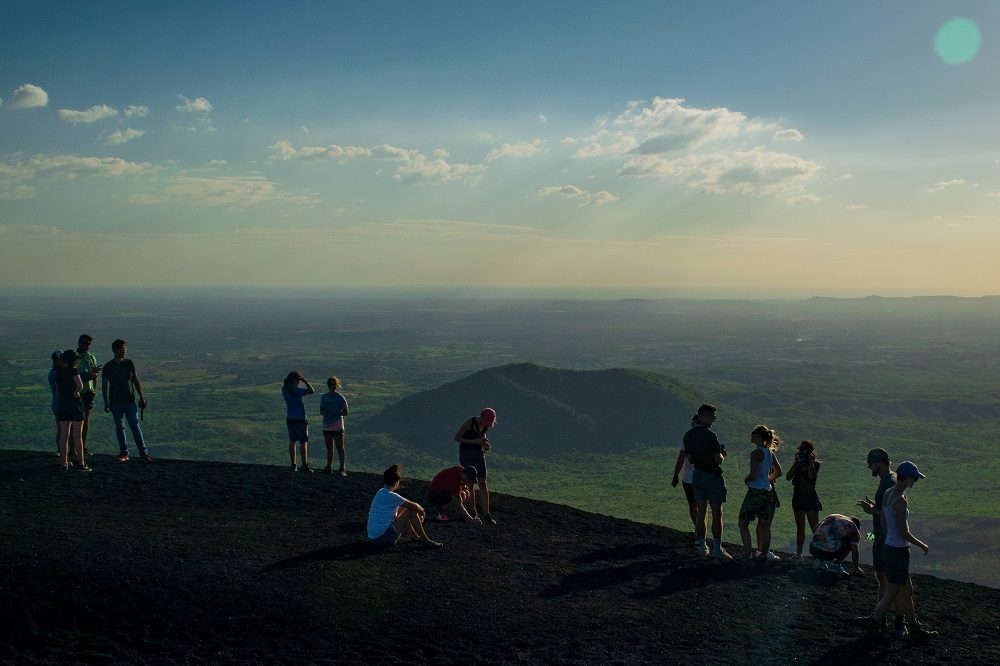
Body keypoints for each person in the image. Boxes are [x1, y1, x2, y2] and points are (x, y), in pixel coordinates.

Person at [864, 461, 937, 644]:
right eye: (914, 478)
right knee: (894, 590)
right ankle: (874, 624)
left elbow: (883, 522)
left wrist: (889, 539)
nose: (915, 482)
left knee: (906, 589)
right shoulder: (900, 500)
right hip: (898, 550)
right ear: (907, 477)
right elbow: (904, 533)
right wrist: (921, 544)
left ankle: (913, 627)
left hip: (890, 547)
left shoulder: (889, 493)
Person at [857, 448, 904, 635]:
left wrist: (872, 511)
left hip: (886, 540)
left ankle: (895, 621)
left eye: (871, 464)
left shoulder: (889, 483)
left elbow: (891, 513)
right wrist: (875, 508)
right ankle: (881, 616)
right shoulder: (889, 481)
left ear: (878, 463)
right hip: (881, 538)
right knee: (882, 578)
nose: (870, 467)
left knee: (891, 582)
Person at [683, 403, 733, 561]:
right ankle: (717, 548)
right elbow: (718, 459)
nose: (713, 420)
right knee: (717, 512)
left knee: (701, 513)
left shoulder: (688, 435)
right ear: (704, 416)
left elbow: (690, 459)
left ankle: (702, 546)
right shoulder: (711, 435)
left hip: (697, 475)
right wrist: (722, 453)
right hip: (712, 475)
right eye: (712, 417)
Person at [366, 464, 442, 548]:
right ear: (396, 482)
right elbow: (415, 506)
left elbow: (403, 508)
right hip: (384, 539)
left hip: (373, 538)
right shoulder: (392, 496)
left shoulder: (380, 492)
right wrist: (423, 513)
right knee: (410, 511)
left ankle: (415, 536)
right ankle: (426, 540)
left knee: (405, 510)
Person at [101, 339, 151, 463]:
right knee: (121, 427)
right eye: (122, 348)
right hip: (115, 402)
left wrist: (141, 396)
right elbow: (104, 386)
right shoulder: (108, 367)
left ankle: (143, 453)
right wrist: (106, 403)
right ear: (115, 350)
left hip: (129, 401)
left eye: (125, 348)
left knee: (135, 426)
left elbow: (135, 380)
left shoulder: (129, 363)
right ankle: (125, 453)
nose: (124, 350)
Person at [737, 425, 783, 560]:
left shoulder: (756, 453)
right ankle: (764, 554)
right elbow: (778, 472)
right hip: (767, 492)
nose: (751, 435)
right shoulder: (770, 453)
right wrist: (767, 479)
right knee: (765, 525)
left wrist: (747, 480)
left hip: (755, 492)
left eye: (753, 433)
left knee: (743, 523)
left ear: (758, 436)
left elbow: (752, 474)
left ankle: (748, 554)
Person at [455, 407, 497, 525]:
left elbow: (482, 439)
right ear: (481, 417)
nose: (487, 424)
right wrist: (474, 441)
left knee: (482, 482)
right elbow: (457, 437)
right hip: (466, 454)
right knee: (470, 483)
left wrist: (485, 445)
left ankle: (486, 513)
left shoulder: (485, 426)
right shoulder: (470, 423)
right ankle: (473, 512)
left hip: (479, 454)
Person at [786, 440, 822, 558]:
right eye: (800, 449)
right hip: (798, 497)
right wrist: (795, 463)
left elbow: (811, 476)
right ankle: (799, 553)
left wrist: (810, 462)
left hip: (810, 498)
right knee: (800, 528)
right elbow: (788, 477)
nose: (800, 451)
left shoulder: (816, 464)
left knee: (815, 528)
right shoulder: (798, 464)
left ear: (809, 451)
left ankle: (820, 554)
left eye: (802, 449)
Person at [56, 350, 89, 471]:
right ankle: (81, 463)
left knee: (64, 436)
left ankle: (63, 463)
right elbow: (80, 385)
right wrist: (76, 392)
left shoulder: (58, 373)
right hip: (75, 404)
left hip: (63, 404)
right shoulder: (74, 371)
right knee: (77, 436)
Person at [282, 370, 315, 472]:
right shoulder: (295, 390)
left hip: (290, 419)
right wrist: (305, 381)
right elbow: (311, 391)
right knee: (303, 442)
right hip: (300, 419)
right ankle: (304, 465)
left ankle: (293, 465)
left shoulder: (284, 389)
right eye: (298, 380)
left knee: (292, 442)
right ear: (295, 380)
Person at [671, 415, 699, 534]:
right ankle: (701, 529)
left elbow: (681, 459)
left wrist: (675, 475)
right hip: (702, 477)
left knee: (693, 505)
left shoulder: (687, 437)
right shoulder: (707, 437)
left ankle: (698, 529)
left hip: (688, 479)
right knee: (702, 506)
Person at [75, 334, 101, 457]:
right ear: (79, 342)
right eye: (83, 343)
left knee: (85, 421)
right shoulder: (74, 357)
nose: (85, 345)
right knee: (75, 421)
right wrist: (90, 374)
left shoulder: (91, 357)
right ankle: (73, 448)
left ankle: (83, 447)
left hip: (88, 393)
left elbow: (95, 377)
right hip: (77, 393)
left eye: (88, 344)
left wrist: (94, 392)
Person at [319, 376, 349, 475]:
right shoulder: (324, 397)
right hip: (328, 426)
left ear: (336, 385)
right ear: (328, 385)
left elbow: (346, 412)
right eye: (331, 384)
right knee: (329, 448)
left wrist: (336, 413)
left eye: (334, 384)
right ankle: (329, 467)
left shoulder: (340, 397)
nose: (332, 386)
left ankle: (342, 468)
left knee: (340, 448)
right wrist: (325, 412)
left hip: (337, 426)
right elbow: (321, 410)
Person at [47, 350, 64, 454]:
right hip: (60, 405)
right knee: (62, 429)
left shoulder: (54, 373)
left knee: (62, 429)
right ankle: (61, 450)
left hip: (57, 404)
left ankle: (62, 450)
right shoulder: (56, 374)